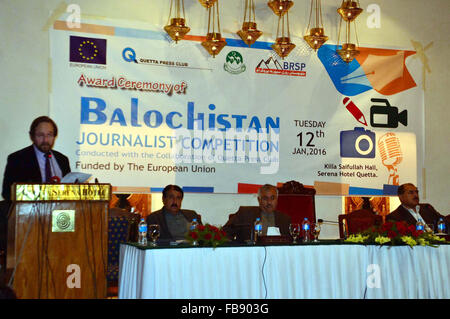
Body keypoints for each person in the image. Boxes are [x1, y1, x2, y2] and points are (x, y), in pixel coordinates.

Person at [1, 116, 71, 201]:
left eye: (49, 135)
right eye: (40, 135)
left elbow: (70, 191)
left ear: (54, 136)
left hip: (59, 212)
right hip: (28, 212)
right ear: (32, 136)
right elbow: (7, 193)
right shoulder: (17, 159)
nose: (45, 140)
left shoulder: (62, 160)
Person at [223, 184, 291, 242]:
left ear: (277, 200)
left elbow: (290, 241)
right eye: (265, 198)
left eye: (272, 198)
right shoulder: (245, 213)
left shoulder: (284, 219)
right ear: (259, 200)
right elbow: (225, 233)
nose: (269, 202)